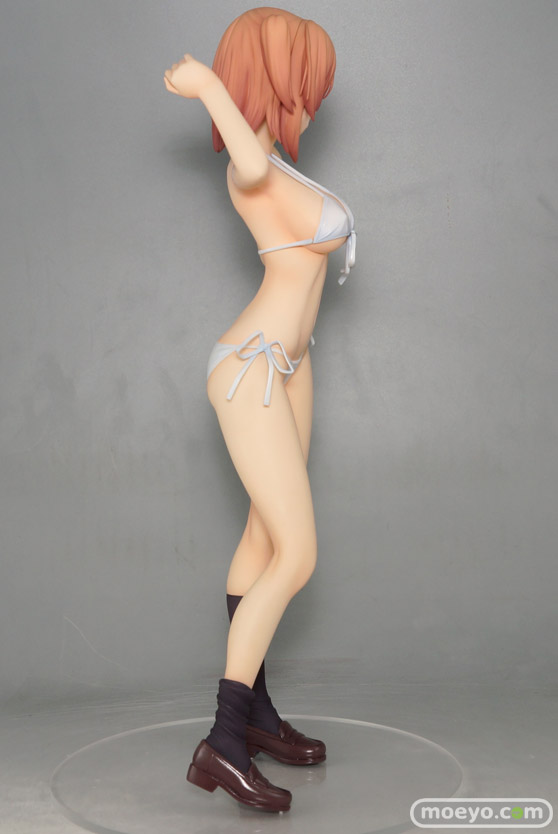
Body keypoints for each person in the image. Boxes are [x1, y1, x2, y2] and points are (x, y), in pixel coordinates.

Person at [163, 6, 356, 813]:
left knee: (264, 537)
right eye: (302, 79)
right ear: (271, 79)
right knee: (297, 555)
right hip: (251, 371)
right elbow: (243, 158)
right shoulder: (251, 168)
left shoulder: (277, 162)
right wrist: (209, 86)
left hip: (292, 366)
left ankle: (260, 717)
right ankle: (224, 740)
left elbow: (260, 156)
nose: (312, 96)